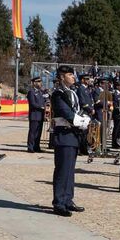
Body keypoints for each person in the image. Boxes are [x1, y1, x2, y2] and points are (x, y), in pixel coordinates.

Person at [51, 66, 88, 216]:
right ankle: (59, 202)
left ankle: (68, 199)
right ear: (61, 77)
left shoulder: (73, 93)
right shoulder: (58, 94)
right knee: (62, 170)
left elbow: (78, 109)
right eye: (70, 74)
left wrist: (84, 118)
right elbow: (65, 112)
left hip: (73, 135)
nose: (73, 77)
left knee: (70, 170)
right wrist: (79, 120)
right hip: (64, 134)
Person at [27, 76, 45, 153]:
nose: (40, 83)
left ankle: (36, 146)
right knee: (33, 132)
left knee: (38, 132)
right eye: (38, 82)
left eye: (40, 82)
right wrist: (41, 107)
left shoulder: (40, 92)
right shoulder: (31, 92)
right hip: (34, 115)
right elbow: (32, 104)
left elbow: (44, 101)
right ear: (34, 83)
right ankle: (30, 147)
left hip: (40, 115)